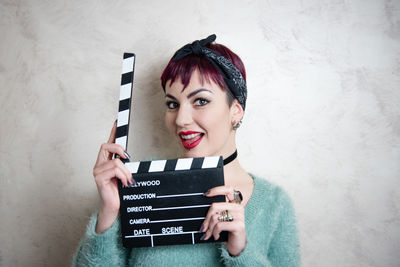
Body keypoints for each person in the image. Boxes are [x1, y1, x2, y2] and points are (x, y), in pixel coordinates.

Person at [73, 34, 300, 266]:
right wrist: (109, 213)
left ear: (236, 110)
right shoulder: (138, 185)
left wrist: (239, 252)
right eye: (172, 104)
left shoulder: (275, 205)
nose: (181, 120)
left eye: (201, 101)